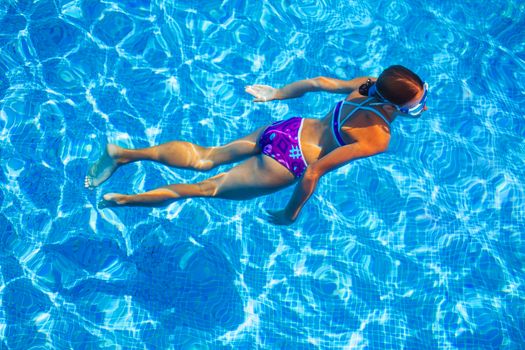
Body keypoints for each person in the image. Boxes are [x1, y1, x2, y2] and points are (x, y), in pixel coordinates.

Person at [85, 65, 428, 225]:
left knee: (206, 157)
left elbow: (319, 82)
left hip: (289, 129)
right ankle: (125, 200)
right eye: (415, 106)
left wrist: (277, 93)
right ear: (393, 107)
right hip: (288, 163)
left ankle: (123, 154)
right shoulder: (377, 137)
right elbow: (313, 173)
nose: (419, 109)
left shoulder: (367, 85)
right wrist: (290, 213)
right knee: (205, 188)